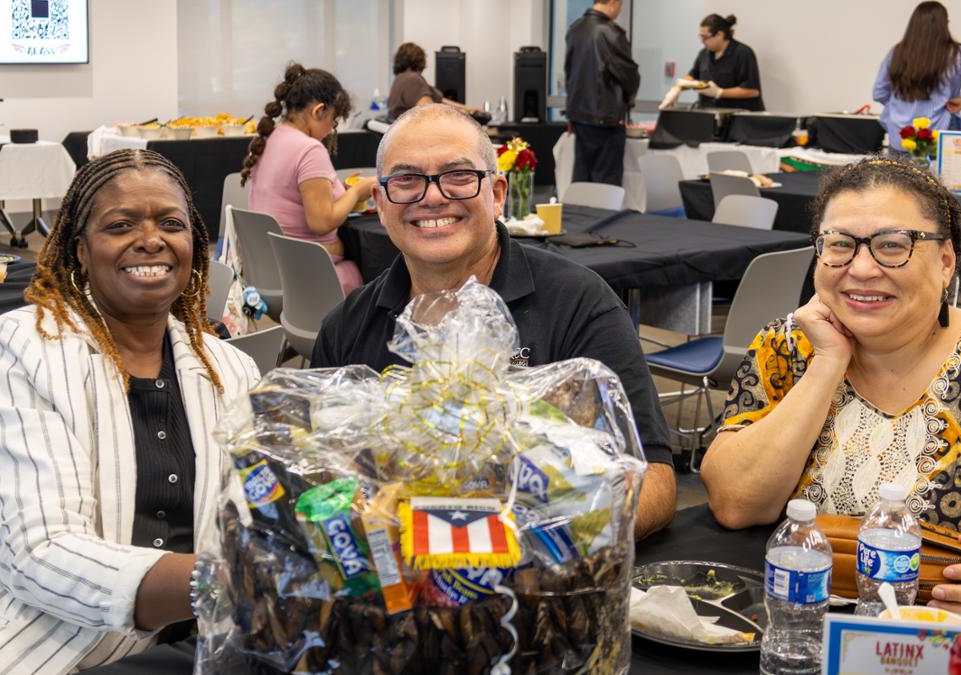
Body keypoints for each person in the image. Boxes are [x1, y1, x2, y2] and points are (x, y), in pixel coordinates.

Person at [0, 149, 260, 672]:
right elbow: (39, 554)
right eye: (121, 224)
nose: (151, 239)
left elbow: (252, 519)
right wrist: (227, 581)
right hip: (3, 630)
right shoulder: (28, 346)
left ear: (193, 243)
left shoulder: (233, 370)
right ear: (81, 250)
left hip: (168, 643)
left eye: (171, 223)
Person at [700, 156, 961, 618]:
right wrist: (828, 364)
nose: (862, 268)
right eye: (840, 244)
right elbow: (734, 504)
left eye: (893, 246)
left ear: (946, 261)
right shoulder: (789, 345)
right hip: (797, 632)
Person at [311, 103, 676, 539]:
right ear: (381, 203)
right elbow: (319, 484)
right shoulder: (346, 329)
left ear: (498, 194)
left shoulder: (578, 303)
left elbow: (654, 483)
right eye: (407, 179)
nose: (432, 196)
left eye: (458, 176)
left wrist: (517, 547)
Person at [242, 63, 376, 294]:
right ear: (318, 111)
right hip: (304, 270)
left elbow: (291, 196)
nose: (330, 131)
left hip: (267, 267)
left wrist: (340, 192)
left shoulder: (269, 138)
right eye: (333, 122)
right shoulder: (309, 149)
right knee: (376, 268)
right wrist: (356, 191)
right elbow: (321, 223)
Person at [872, 1, 961, 150]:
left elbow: (879, 93)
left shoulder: (896, 53)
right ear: (944, 24)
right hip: (937, 141)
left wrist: (900, 108)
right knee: (938, 174)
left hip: (900, 140)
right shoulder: (956, 54)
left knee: (900, 173)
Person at [564, 0, 640, 186]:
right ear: (613, 2)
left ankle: (579, 214)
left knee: (582, 178)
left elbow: (569, 73)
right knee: (607, 184)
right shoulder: (611, 33)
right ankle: (604, 217)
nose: (620, 10)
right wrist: (629, 99)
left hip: (580, 117)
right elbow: (628, 74)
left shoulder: (575, 30)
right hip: (607, 118)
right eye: (621, 5)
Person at [664, 14, 764, 111]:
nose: (702, 41)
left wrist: (719, 92)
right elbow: (692, 76)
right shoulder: (704, 54)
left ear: (720, 34)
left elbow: (752, 91)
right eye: (701, 37)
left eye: (705, 37)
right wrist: (678, 88)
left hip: (738, 119)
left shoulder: (742, 53)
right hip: (709, 115)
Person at [386, 42, 480, 121]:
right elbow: (429, 110)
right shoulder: (413, 80)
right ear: (419, 60)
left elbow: (441, 100)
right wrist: (461, 115)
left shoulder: (400, 78)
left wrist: (469, 109)